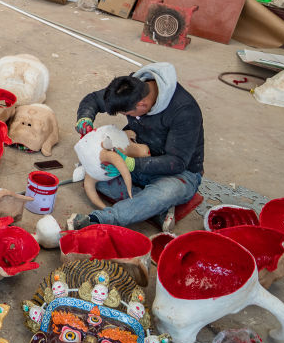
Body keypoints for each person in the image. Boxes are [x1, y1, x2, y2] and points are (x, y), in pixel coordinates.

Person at [70, 62, 203, 231]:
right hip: (136, 154)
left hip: (178, 172)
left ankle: (103, 219)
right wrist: (85, 117)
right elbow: (94, 99)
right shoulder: (131, 87)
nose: (125, 116)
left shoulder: (184, 111)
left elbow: (177, 162)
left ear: (142, 105)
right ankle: (153, 208)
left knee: (165, 193)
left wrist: (130, 164)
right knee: (92, 169)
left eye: (126, 113)